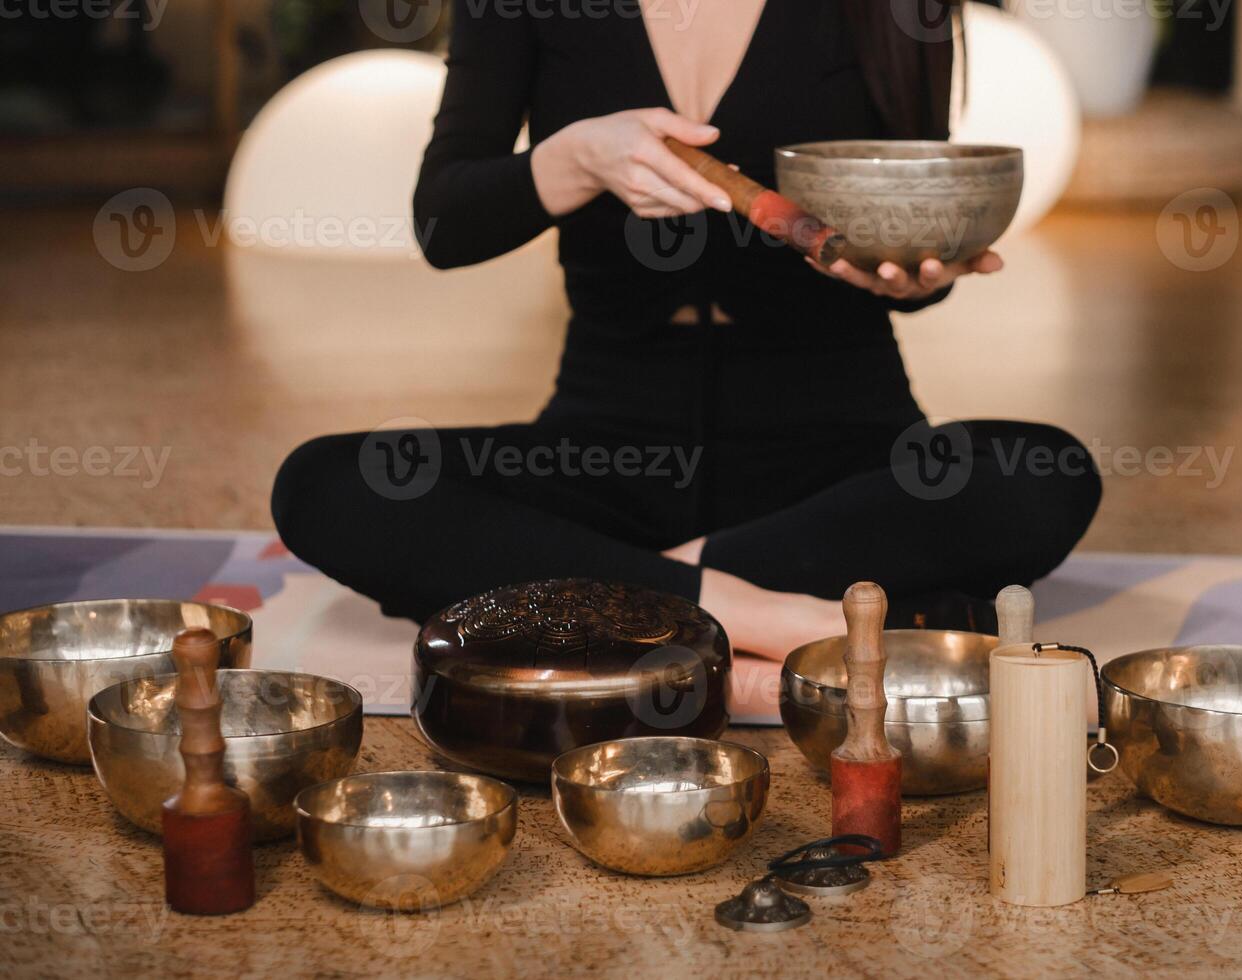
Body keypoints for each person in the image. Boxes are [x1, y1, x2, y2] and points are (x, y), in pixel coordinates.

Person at [271, 0, 1101, 714]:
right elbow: (443, 224)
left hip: (837, 460)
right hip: (604, 449)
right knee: (325, 484)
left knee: (1046, 474)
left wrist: (914, 275)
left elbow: (906, 213)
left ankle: (612, 596)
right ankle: (769, 617)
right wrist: (574, 158)